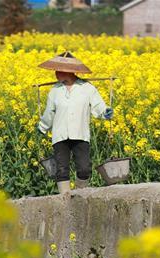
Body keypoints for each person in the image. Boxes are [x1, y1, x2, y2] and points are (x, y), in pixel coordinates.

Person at [36, 52, 114, 197]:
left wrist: (106, 113)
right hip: (60, 135)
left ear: (70, 71)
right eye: (56, 70)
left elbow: (98, 106)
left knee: (84, 169)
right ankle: (64, 199)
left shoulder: (87, 88)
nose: (56, 73)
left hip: (80, 134)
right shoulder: (55, 91)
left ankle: (79, 195)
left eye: (60, 70)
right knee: (61, 169)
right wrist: (42, 126)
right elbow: (49, 113)